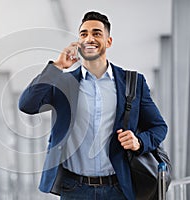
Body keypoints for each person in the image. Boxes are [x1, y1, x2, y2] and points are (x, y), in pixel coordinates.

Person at [18, 11, 167, 200]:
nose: (89, 38)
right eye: (83, 34)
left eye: (96, 33)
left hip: (118, 188)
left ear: (108, 41)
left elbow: (159, 127)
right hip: (74, 189)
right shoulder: (63, 83)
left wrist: (139, 142)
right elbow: (27, 104)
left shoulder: (133, 82)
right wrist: (57, 66)